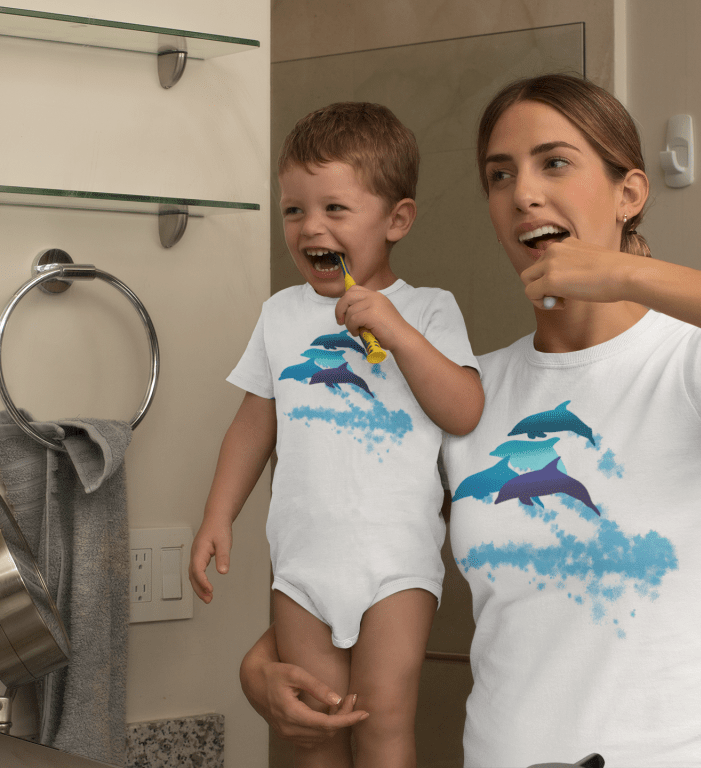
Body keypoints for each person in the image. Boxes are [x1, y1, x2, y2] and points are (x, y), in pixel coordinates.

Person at [238, 76, 701, 766]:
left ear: (629, 195)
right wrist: (263, 665)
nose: (523, 193)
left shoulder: (697, 367)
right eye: (499, 175)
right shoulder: (468, 392)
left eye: (553, 162)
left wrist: (630, 277)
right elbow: (367, 539)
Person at [189, 102, 484, 768]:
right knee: (314, 731)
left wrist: (396, 330)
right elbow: (253, 423)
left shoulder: (431, 309)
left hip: (396, 567)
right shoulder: (281, 315)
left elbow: (464, 408)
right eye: (294, 210)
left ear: (397, 220)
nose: (309, 227)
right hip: (301, 567)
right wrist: (216, 515)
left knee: (380, 727)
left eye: (334, 210)